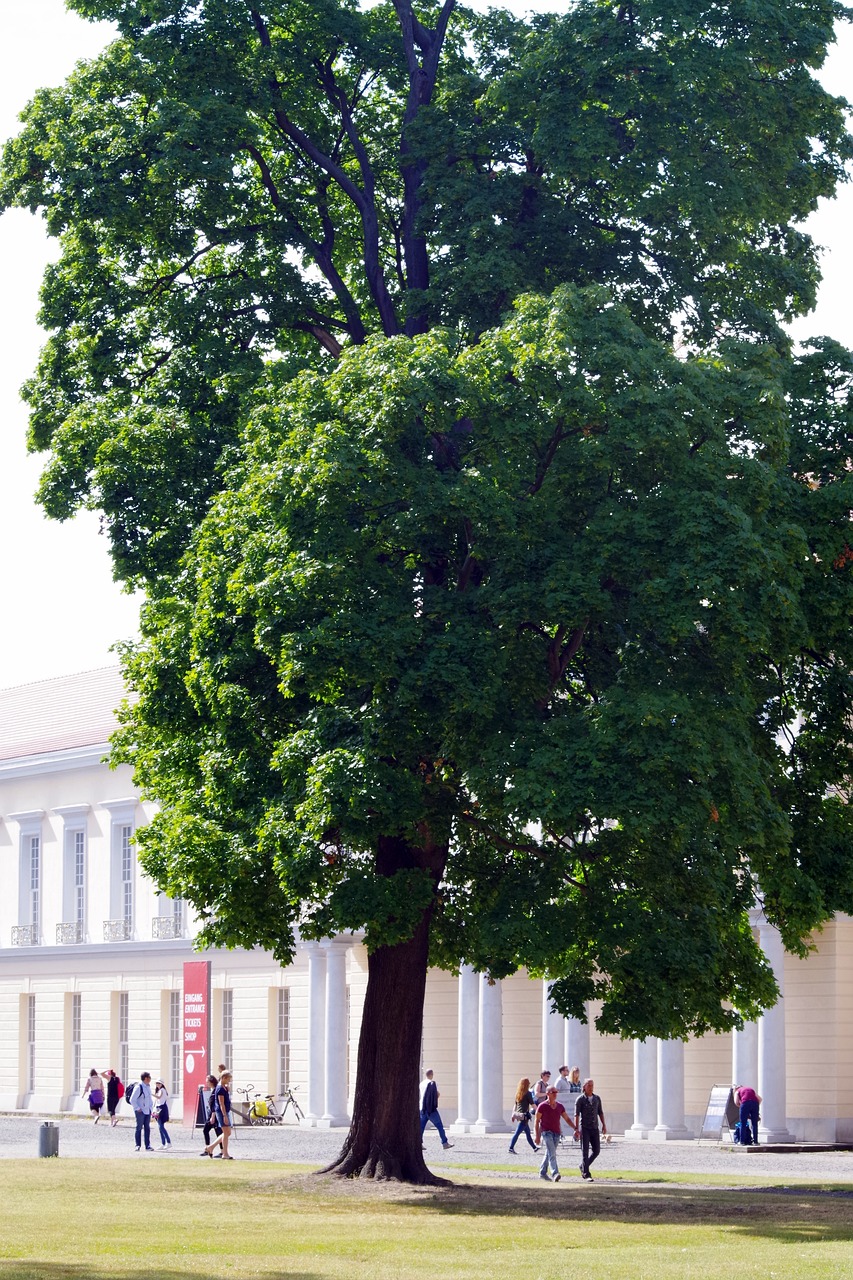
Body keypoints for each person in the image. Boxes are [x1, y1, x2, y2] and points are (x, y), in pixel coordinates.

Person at [534, 1085, 577, 1181]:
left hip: (557, 1133)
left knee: (549, 1152)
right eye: (553, 1092)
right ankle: (555, 1173)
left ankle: (542, 1172)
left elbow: (567, 1119)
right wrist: (537, 1136)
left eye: (556, 1092)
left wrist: (575, 1128)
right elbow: (536, 1121)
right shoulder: (542, 1106)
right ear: (548, 1093)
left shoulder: (560, 1106)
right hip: (546, 1132)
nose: (555, 1094)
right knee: (552, 1153)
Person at [574, 1078, 607, 1181]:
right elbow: (576, 1114)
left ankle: (583, 1166)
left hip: (594, 1127)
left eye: (592, 1086)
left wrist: (604, 1125)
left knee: (596, 1150)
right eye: (589, 1086)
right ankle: (586, 1173)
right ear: (584, 1087)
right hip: (585, 1128)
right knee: (585, 1151)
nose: (591, 1088)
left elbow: (600, 1112)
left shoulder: (597, 1098)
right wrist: (576, 1129)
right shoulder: (580, 1100)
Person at [419, 1070, 454, 1150]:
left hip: (422, 1108)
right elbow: (436, 1094)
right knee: (439, 1126)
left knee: (421, 1128)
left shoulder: (421, 1084)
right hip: (431, 1109)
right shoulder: (433, 1083)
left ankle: (419, 1144)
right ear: (431, 1075)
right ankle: (445, 1143)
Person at [203, 1070, 234, 1159]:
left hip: (225, 1112)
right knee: (226, 1133)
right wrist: (224, 1116)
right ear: (223, 1078)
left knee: (227, 1133)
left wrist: (227, 1089)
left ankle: (211, 1147)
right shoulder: (220, 1088)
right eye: (228, 1079)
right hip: (221, 1112)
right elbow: (221, 1103)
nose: (229, 1081)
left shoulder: (223, 1086)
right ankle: (225, 1154)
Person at [508, 1077, 538, 1153]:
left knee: (528, 1133)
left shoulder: (518, 1093)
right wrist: (539, 1110)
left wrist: (513, 1115)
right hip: (524, 1116)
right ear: (527, 1084)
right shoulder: (528, 1093)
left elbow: (515, 1105)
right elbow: (532, 1104)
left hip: (519, 1115)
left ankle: (534, 1147)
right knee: (517, 1133)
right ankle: (511, 1148)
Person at [128, 1071, 155, 1151]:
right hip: (140, 1111)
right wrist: (137, 1108)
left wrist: (151, 1108)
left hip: (147, 1110)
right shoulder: (139, 1087)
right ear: (146, 1078)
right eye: (149, 1077)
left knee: (147, 1128)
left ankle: (148, 1145)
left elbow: (149, 1098)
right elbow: (132, 1099)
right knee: (139, 1127)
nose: (150, 1079)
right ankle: (138, 1145)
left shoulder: (148, 1087)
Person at [200, 1073, 223, 1155]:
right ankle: (208, 1148)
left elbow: (214, 1105)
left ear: (211, 1082)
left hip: (215, 1115)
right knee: (206, 1130)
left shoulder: (216, 1090)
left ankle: (222, 1151)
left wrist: (213, 1117)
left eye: (207, 1081)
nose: (206, 1083)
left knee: (219, 1133)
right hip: (212, 1114)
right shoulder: (213, 1090)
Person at [154, 1079, 172, 1148]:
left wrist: (150, 1094)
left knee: (161, 1126)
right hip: (158, 1108)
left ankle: (168, 1141)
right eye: (157, 1083)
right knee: (160, 1126)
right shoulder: (159, 1090)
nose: (158, 1084)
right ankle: (163, 1143)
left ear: (162, 1084)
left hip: (161, 1108)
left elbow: (159, 1097)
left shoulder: (162, 1090)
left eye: (159, 1083)